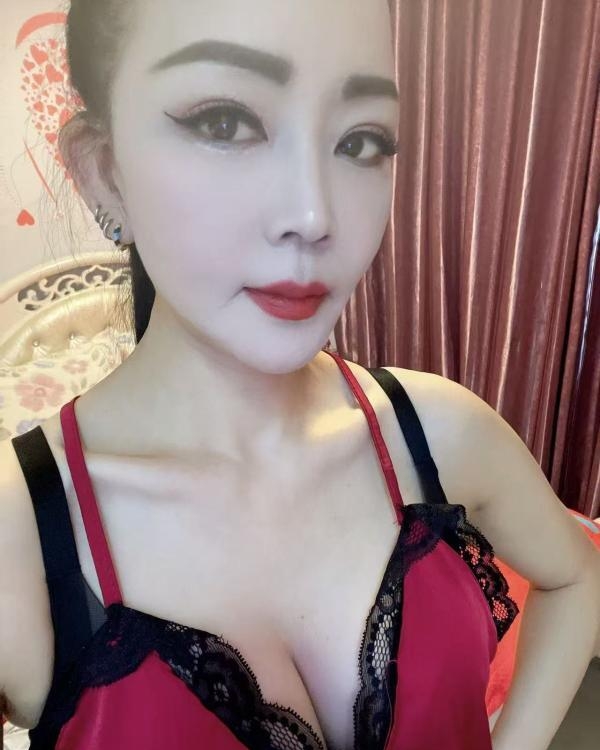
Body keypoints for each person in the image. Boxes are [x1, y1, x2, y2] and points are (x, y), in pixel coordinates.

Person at [1, 1, 599, 749]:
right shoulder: (20, 534)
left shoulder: (440, 431)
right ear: (103, 170)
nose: (315, 215)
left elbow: (578, 575)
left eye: (362, 140)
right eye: (224, 122)